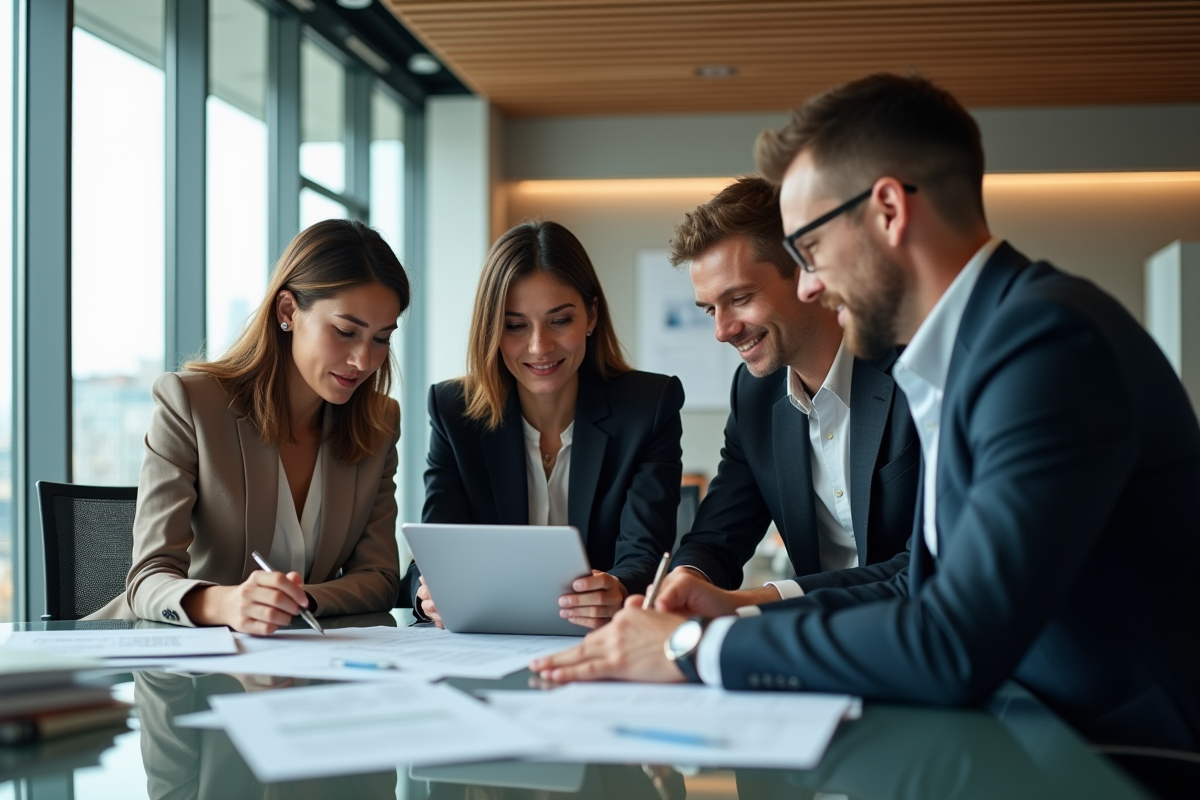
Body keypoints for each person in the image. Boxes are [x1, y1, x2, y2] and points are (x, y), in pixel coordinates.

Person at [532, 74, 1200, 752]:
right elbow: (918, 583)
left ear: (887, 210)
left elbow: (950, 641)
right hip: (1033, 731)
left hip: (1126, 754)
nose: (813, 283)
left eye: (811, 250)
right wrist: (725, 615)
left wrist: (694, 647)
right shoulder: (977, 347)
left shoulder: (1045, 344)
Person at [92, 219, 409, 634]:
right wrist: (226, 602)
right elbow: (148, 578)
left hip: (301, 666)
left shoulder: (377, 423)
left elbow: (380, 579)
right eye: (345, 332)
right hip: (177, 666)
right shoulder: (191, 404)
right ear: (288, 311)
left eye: (382, 339)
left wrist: (295, 600)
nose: (363, 360)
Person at [401, 220, 684, 629]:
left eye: (559, 320)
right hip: (487, 643)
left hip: (601, 640)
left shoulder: (648, 407)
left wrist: (619, 588)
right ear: (492, 331)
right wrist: (426, 594)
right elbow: (436, 552)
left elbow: (643, 556)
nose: (540, 346)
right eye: (515, 326)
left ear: (590, 315)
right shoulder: (453, 411)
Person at [668, 176, 917, 607]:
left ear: (806, 273)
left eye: (740, 298)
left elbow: (929, 565)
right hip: (815, 647)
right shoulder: (753, 395)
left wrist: (760, 600)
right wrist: (684, 580)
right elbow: (717, 536)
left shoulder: (915, 369)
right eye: (711, 309)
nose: (722, 331)